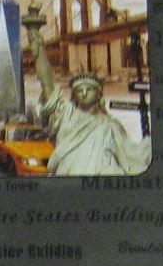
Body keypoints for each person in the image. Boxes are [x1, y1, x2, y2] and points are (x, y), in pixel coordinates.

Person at [24, 11, 150, 176]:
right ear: (73, 95)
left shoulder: (110, 125)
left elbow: (131, 157)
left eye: (89, 89)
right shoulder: (66, 115)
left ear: (99, 95)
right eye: (78, 90)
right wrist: (36, 41)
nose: (83, 93)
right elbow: (48, 83)